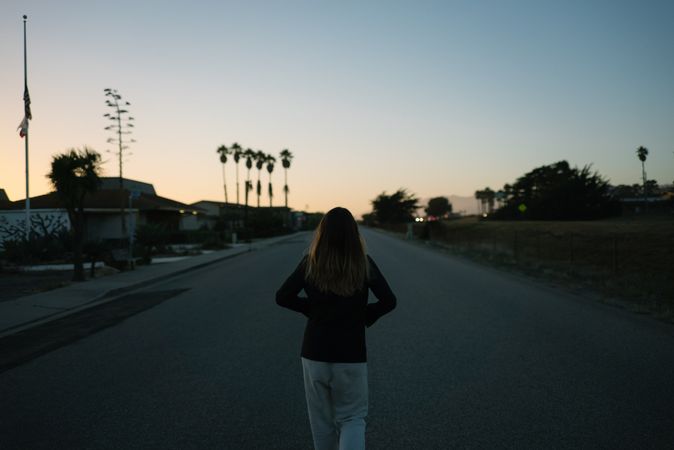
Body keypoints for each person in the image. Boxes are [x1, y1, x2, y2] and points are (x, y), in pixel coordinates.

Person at [276, 207, 397, 450]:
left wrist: (312, 309)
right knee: (352, 418)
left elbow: (283, 296)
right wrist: (362, 315)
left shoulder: (311, 262)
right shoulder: (363, 264)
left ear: (323, 233)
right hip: (350, 354)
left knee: (321, 423)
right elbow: (389, 301)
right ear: (354, 233)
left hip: (314, 354)